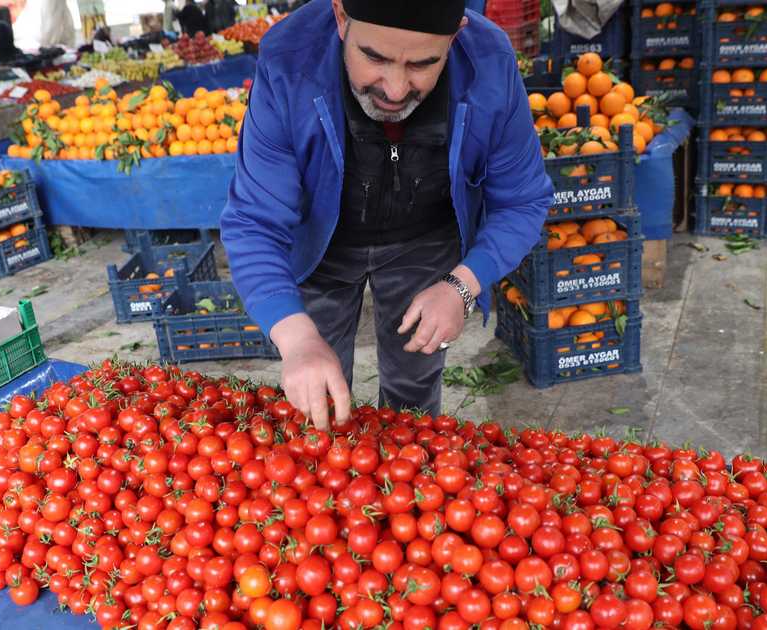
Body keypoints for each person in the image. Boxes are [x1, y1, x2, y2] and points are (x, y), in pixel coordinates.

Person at [219, 0, 552, 427]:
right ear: (341, 17)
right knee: (317, 398)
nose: (395, 90)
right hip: (319, 245)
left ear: (455, 36)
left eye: (422, 64)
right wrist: (295, 336)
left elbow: (522, 199)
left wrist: (462, 285)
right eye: (374, 57)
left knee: (413, 399)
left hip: (425, 239)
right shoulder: (288, 60)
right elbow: (254, 221)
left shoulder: (490, 63)